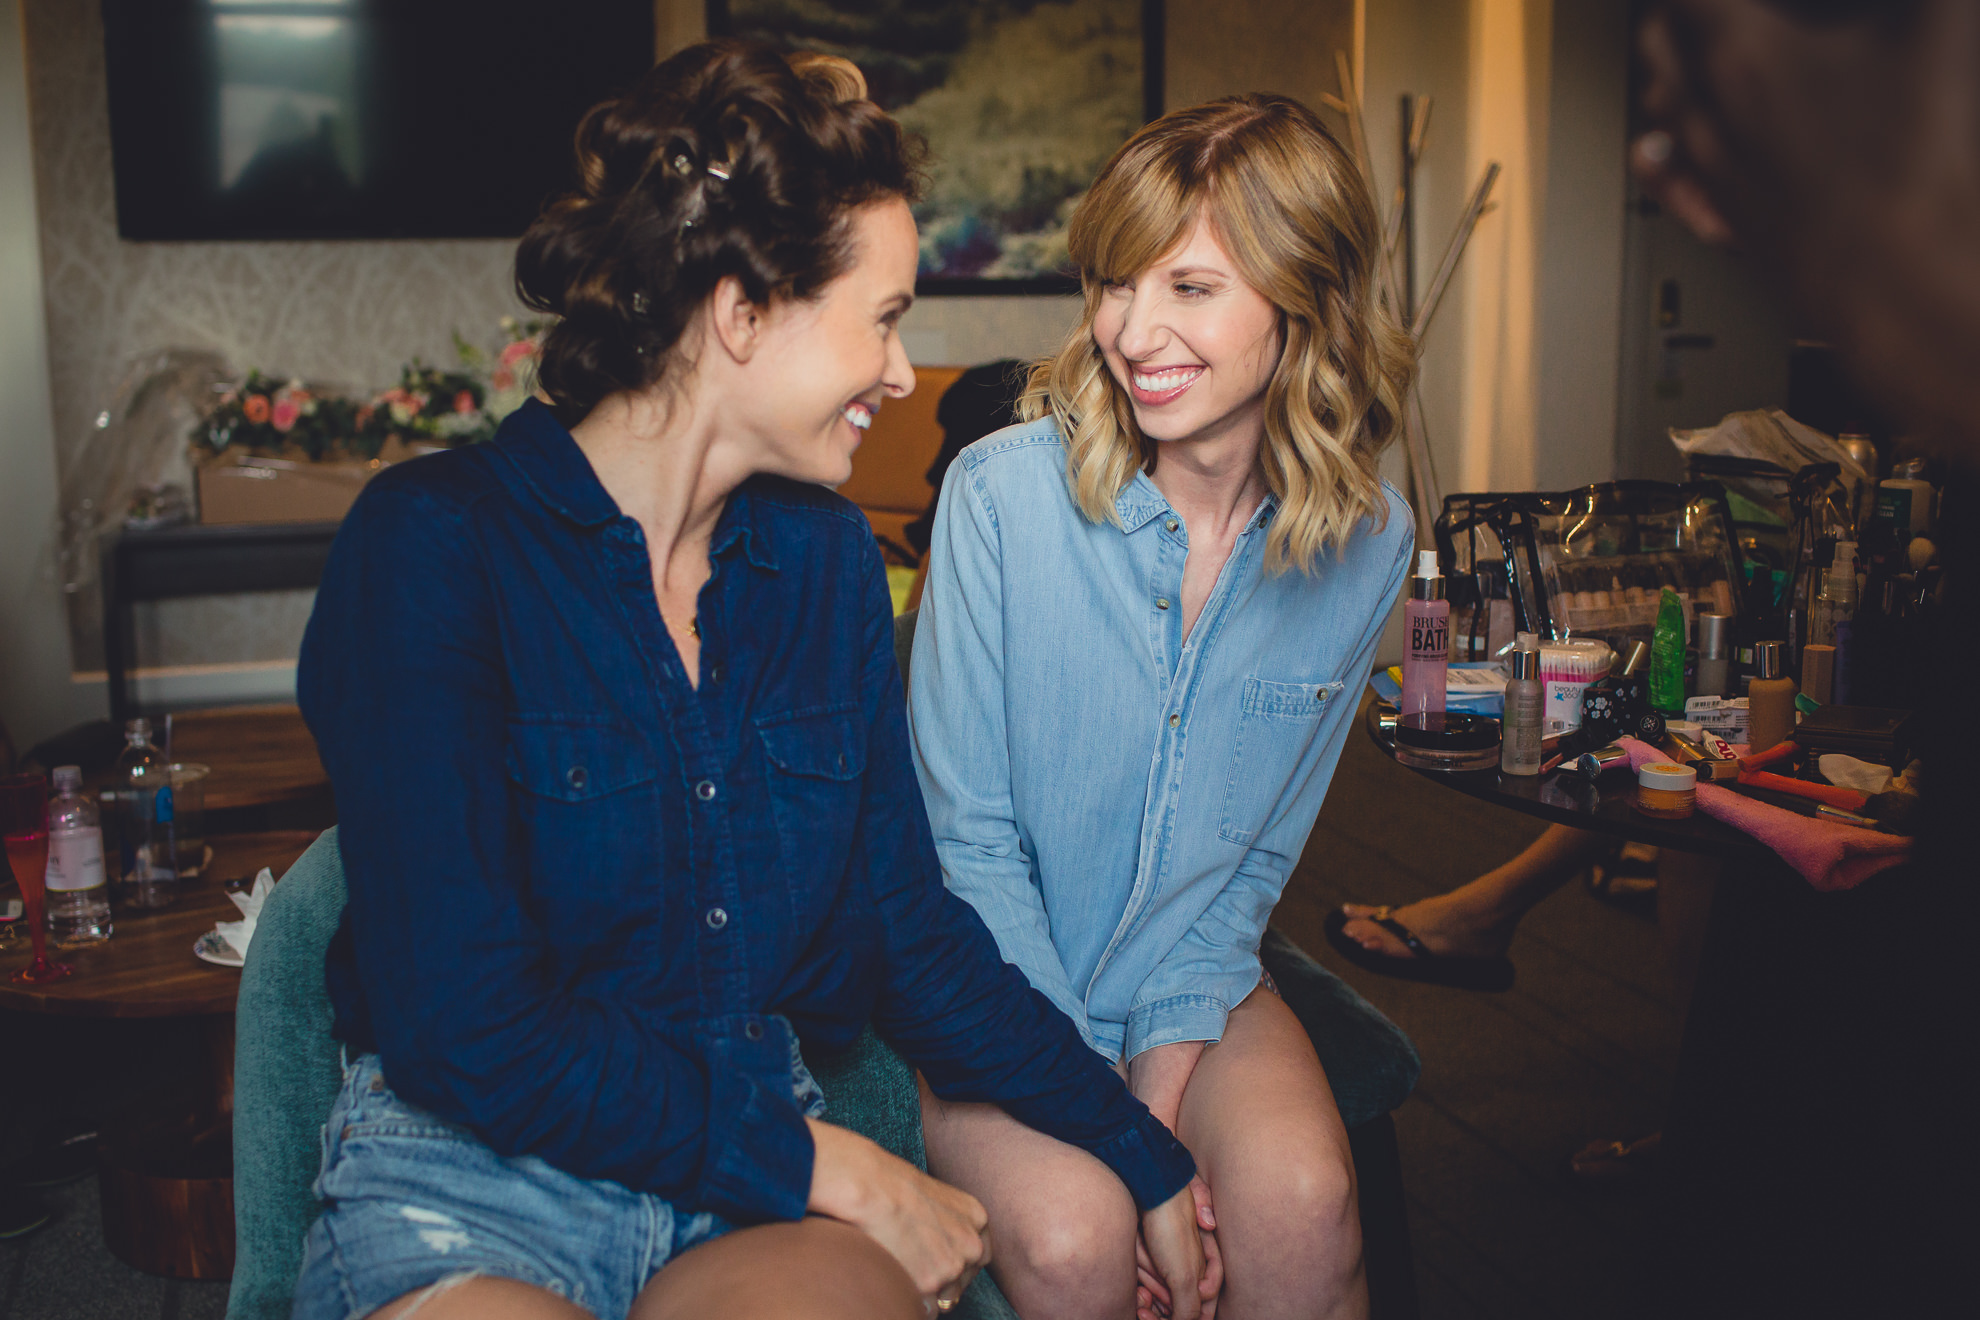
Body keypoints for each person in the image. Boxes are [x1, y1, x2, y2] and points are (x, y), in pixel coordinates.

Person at [292, 41, 1203, 1320]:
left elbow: (913, 935)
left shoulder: (825, 561)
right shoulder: (433, 546)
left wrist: (1138, 1150)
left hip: (747, 1194)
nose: (901, 371)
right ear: (741, 312)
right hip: (479, 1185)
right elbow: (465, 1023)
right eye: (883, 319)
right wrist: (833, 1167)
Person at [908, 95, 1416, 1320]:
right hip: (991, 980)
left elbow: (1253, 857)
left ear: (1305, 298)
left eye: (1189, 288)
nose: (1134, 331)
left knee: (1305, 1204)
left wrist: (1164, 1079)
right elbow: (965, 846)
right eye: (1115, 284)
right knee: (1082, 1240)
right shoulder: (997, 499)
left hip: (1190, 971)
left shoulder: (1367, 543)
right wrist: (1114, 1132)